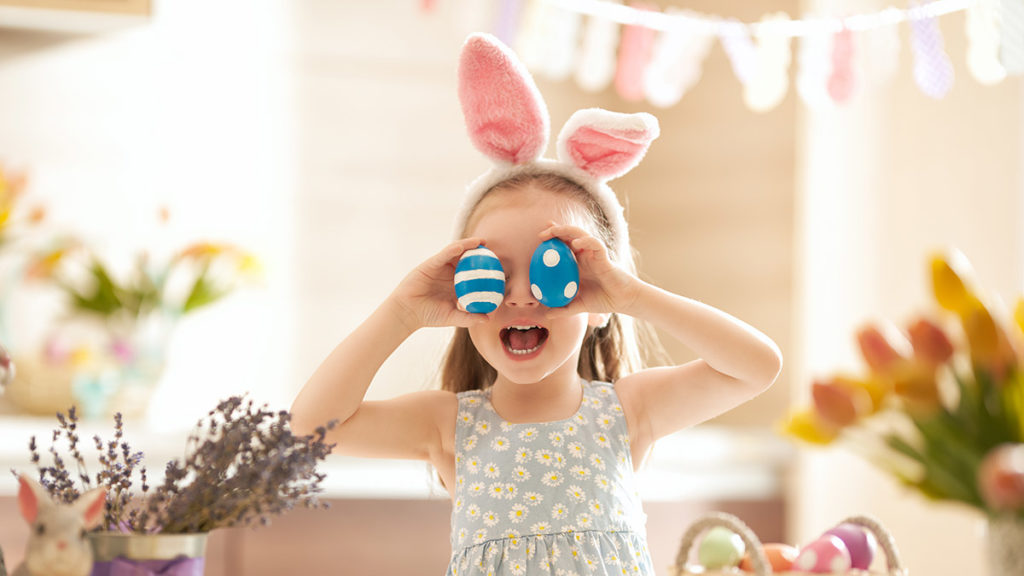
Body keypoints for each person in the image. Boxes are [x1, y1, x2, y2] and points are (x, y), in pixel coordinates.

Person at [291, 33, 782, 576]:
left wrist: (632, 296)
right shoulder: (448, 425)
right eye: (494, 273)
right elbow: (309, 430)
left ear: (596, 300)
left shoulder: (627, 411)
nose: (521, 294)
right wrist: (401, 313)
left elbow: (757, 367)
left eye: (554, 272)